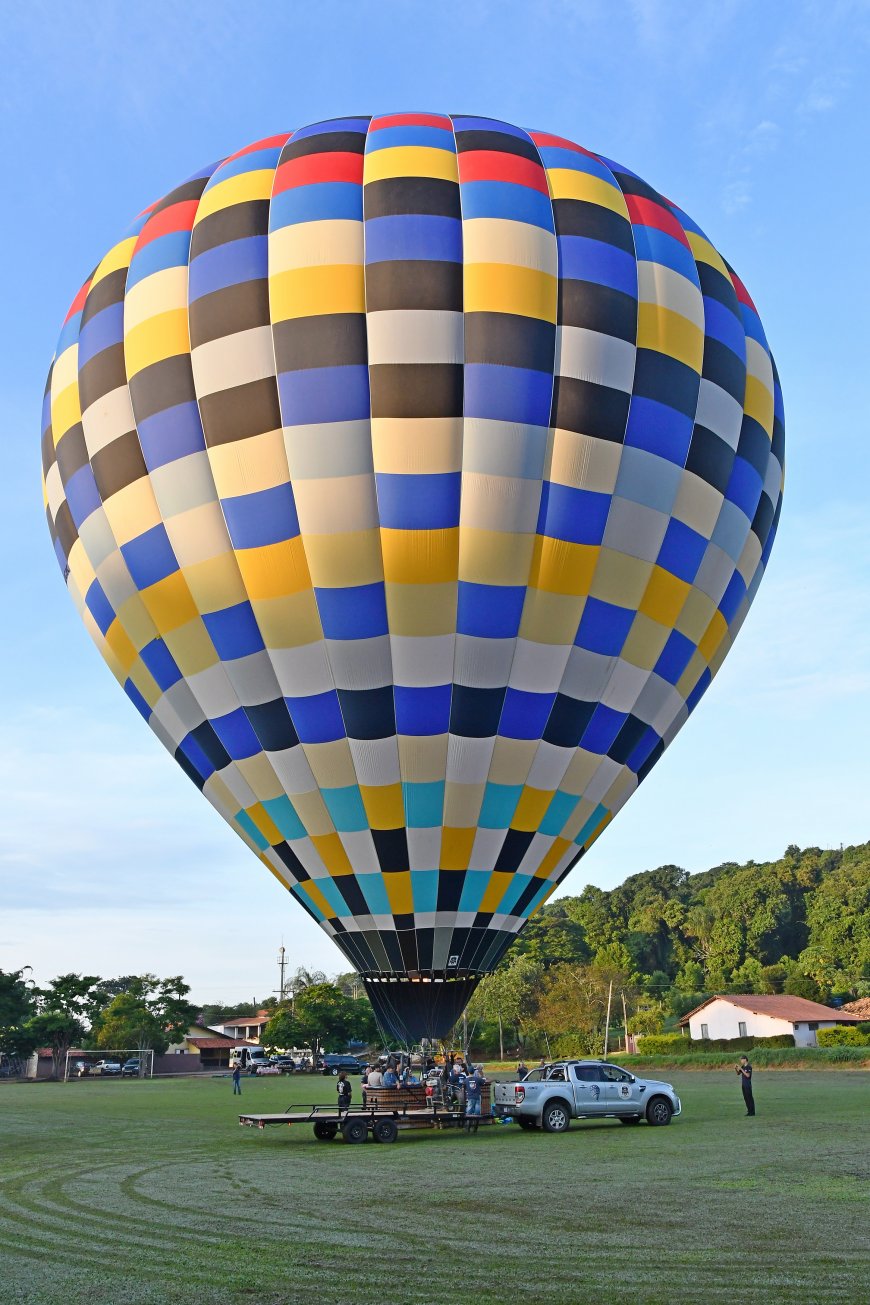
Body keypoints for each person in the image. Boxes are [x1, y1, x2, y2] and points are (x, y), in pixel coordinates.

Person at [464, 1065, 486, 1133]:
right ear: (474, 1071)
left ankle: (467, 1128)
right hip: (477, 1097)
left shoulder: (466, 1080)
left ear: (468, 1071)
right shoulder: (477, 1079)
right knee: (477, 1113)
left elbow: (463, 1087)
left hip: (470, 1098)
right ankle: (475, 1128)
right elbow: (483, 1082)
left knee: (468, 1113)